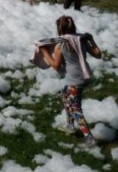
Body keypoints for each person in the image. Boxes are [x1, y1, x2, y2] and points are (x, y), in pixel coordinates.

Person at [39, 15, 102, 146]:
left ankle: (89, 138)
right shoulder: (81, 41)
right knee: (65, 94)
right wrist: (92, 40)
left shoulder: (61, 45)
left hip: (74, 80)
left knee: (76, 109)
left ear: (59, 29)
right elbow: (98, 54)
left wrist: (44, 52)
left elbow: (56, 66)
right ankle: (69, 125)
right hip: (82, 76)